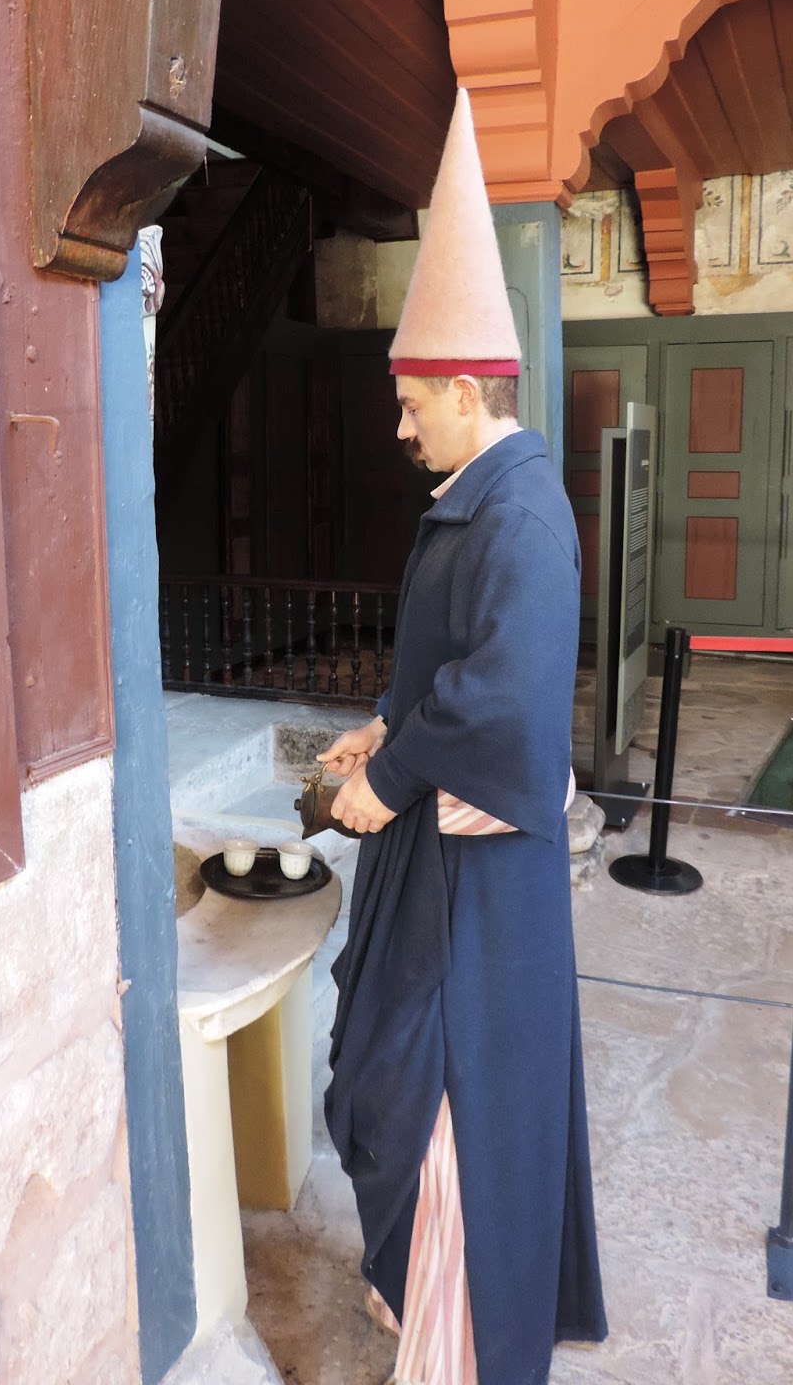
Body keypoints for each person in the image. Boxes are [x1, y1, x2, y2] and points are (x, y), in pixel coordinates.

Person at [319, 89, 607, 1385]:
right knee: (384, 1084)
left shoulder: (522, 518)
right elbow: (455, 669)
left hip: (477, 896)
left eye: (410, 403)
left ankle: (456, 1341)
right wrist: (386, 726)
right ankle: (410, 1289)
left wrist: (392, 776)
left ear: (461, 390)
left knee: (431, 1097)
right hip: (441, 865)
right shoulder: (476, 499)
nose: (400, 427)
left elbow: (504, 699)